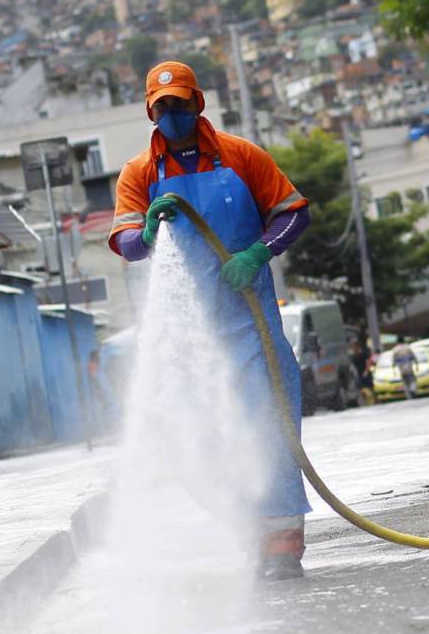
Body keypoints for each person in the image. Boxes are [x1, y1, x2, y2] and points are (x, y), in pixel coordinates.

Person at [109, 61, 312, 580]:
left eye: (180, 102)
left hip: (249, 324)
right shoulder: (139, 174)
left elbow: (293, 212)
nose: (172, 113)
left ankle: (281, 543)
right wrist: (146, 235)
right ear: (150, 112)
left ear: (197, 102)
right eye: (162, 106)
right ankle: (247, 531)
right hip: (186, 333)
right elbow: (125, 242)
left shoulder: (243, 156)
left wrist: (258, 253)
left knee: (270, 431)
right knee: (190, 440)